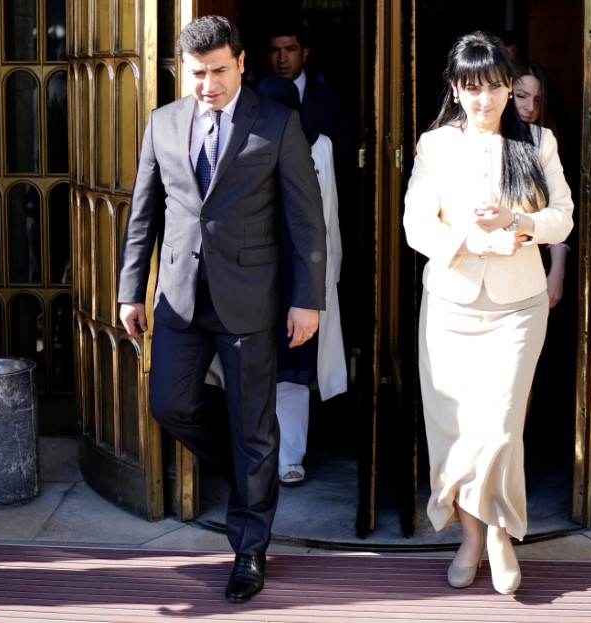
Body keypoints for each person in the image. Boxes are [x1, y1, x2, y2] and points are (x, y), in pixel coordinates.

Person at [117, 15, 326, 603]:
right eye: (196, 74)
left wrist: (306, 300)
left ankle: (250, 551)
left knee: (253, 425)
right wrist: (131, 289)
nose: (206, 84)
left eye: (216, 71)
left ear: (239, 64)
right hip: (180, 297)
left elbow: (306, 222)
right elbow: (144, 214)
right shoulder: (163, 123)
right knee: (170, 403)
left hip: (251, 300)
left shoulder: (279, 124)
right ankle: (246, 477)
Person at [402, 31, 573, 594]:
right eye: (472, 88)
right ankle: (470, 536)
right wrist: (471, 242)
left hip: (518, 308)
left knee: (499, 426)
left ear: (508, 87)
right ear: (456, 88)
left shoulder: (537, 141)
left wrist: (517, 223)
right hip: (450, 304)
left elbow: (564, 218)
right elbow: (416, 224)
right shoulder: (435, 146)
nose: (485, 99)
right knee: (452, 430)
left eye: (496, 87)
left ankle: (499, 534)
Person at [256, 75, 348, 486]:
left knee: (293, 365)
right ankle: (256, 455)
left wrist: (331, 274)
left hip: (300, 270)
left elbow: (329, 215)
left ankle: (289, 455)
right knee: (253, 365)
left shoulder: (320, 146)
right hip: (253, 272)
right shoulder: (243, 141)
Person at [263, 22, 352, 204]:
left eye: (290, 49)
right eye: (274, 50)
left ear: (304, 53)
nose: (282, 59)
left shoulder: (330, 99)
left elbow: (342, 164)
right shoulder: (253, 96)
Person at [512, 58, 569, 310]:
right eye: (521, 96)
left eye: (537, 99)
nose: (529, 107)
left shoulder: (546, 142)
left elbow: (560, 212)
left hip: (539, 261)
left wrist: (557, 272)